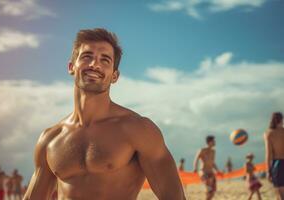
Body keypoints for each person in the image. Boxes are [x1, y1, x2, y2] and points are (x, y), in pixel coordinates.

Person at [23, 28, 185, 200]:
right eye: (87, 57)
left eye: (105, 60)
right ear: (71, 67)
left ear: (114, 76)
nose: (95, 64)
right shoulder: (50, 139)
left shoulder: (138, 129)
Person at [193, 135, 221, 200]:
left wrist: (217, 170)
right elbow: (196, 159)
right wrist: (195, 168)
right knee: (209, 189)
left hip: (211, 172)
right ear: (209, 142)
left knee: (213, 192)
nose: (215, 142)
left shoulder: (213, 151)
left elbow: (212, 163)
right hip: (203, 172)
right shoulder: (202, 150)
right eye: (213, 141)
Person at [264, 112, 284, 200]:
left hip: (278, 164)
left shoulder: (269, 134)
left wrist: (268, 171)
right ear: (281, 120)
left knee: (280, 194)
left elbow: (268, 154)